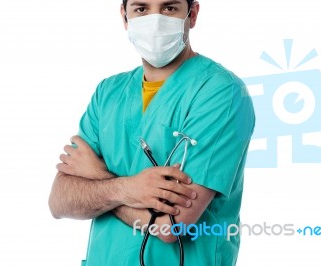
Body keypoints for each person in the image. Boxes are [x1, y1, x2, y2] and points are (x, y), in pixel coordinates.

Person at [48, 0, 255, 265]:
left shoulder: (221, 93)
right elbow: (60, 200)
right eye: (141, 9)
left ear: (191, 14)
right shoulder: (108, 93)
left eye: (169, 8)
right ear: (125, 17)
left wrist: (96, 179)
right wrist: (129, 189)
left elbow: (172, 225)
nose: (155, 21)